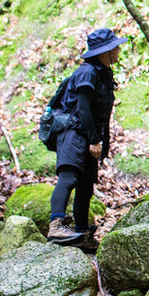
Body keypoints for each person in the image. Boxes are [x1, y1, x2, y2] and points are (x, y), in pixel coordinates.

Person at [48, 27, 126, 248]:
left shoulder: (103, 73)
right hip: (73, 133)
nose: (118, 50)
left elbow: (103, 112)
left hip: (90, 136)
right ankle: (56, 225)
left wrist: (103, 142)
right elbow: (82, 109)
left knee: (86, 186)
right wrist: (93, 140)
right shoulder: (87, 72)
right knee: (69, 177)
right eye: (115, 47)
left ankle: (82, 233)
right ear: (104, 52)